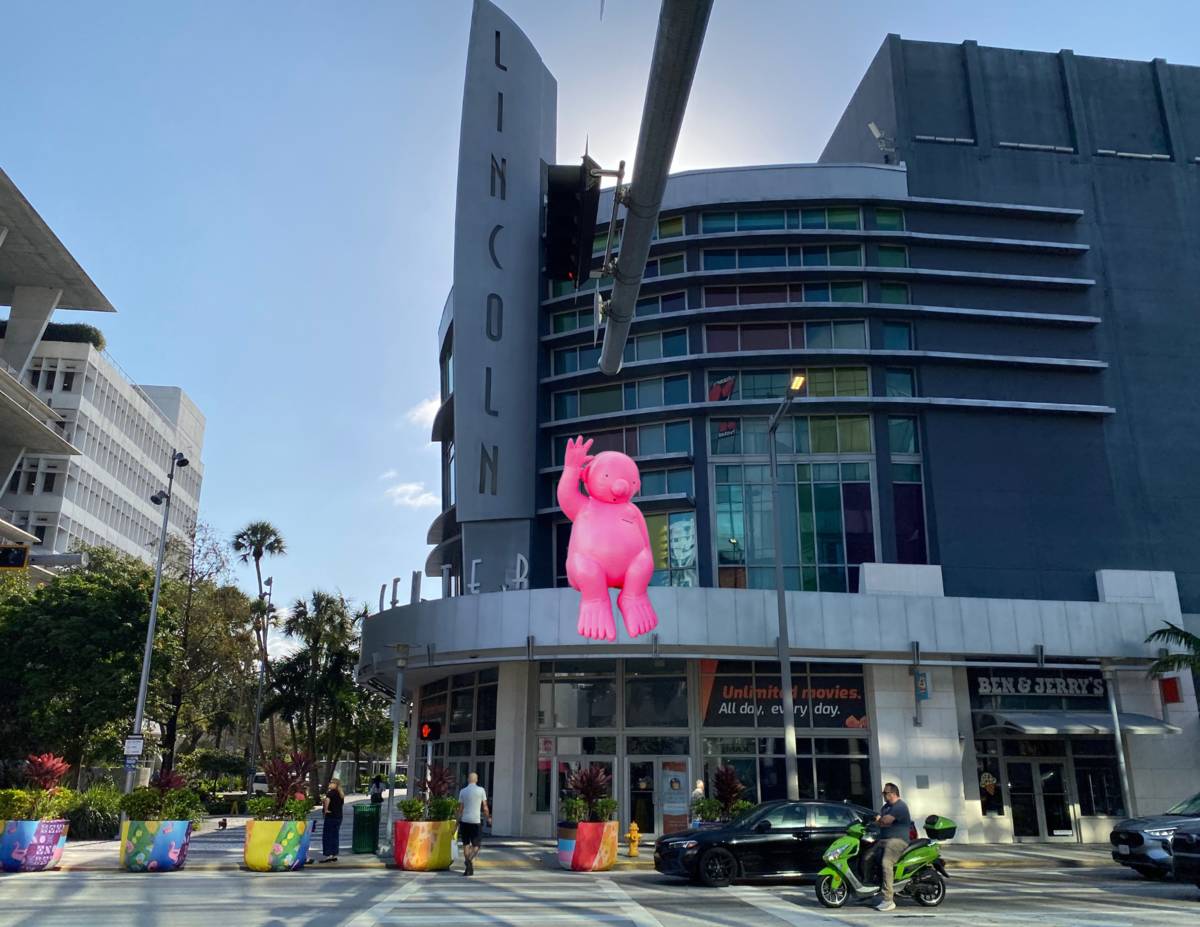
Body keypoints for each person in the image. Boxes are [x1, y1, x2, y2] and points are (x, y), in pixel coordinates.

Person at [867, 782, 912, 912]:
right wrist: (878, 821)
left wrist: (879, 820)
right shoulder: (886, 807)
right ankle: (868, 891)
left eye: (885, 793)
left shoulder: (900, 807)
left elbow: (885, 821)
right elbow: (881, 823)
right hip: (884, 840)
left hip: (898, 841)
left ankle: (888, 899)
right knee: (867, 856)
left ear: (892, 794)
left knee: (886, 863)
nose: (883, 795)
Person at [456, 771, 491, 876]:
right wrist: (488, 818)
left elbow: (460, 809)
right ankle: (469, 861)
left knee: (466, 844)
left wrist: (457, 821)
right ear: (476, 780)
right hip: (476, 821)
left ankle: (468, 867)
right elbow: (484, 807)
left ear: (468, 780)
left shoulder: (463, 791)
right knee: (476, 845)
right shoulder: (481, 790)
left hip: (465, 821)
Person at [318, 778, 345, 863]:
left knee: (327, 835)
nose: (329, 784)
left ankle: (328, 855)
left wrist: (325, 810)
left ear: (335, 784)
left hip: (331, 816)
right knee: (335, 835)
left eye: (331, 782)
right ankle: (334, 854)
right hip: (338, 817)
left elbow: (327, 801)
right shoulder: (341, 794)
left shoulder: (330, 793)